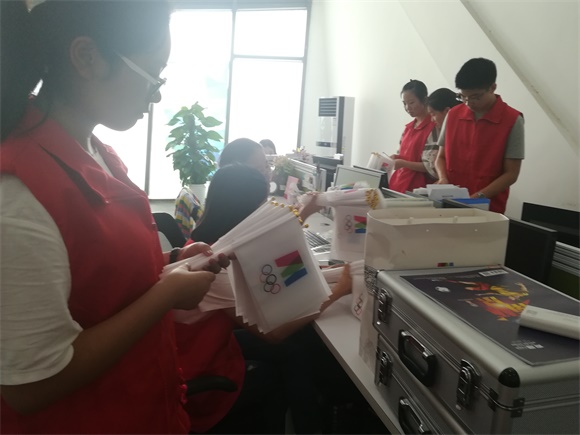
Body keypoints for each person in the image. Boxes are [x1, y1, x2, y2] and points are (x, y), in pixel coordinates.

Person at [0, 1, 228, 433]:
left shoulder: (97, 153)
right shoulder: (19, 193)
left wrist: (171, 262)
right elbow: (29, 387)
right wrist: (166, 293)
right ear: (87, 57)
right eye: (153, 74)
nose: (157, 94)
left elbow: (95, 281)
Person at [177, 164, 354, 434]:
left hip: (213, 344)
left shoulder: (208, 244)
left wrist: (320, 272)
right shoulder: (213, 265)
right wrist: (338, 291)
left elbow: (269, 260)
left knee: (297, 349)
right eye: (262, 206)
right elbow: (274, 333)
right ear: (246, 212)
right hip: (204, 370)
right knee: (294, 354)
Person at [435, 58, 524, 213]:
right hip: (450, 203)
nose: (468, 102)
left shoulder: (512, 120)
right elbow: (441, 157)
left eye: (475, 97)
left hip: (487, 206)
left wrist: (478, 197)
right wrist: (443, 178)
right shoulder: (453, 115)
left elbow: (511, 173)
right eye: (463, 96)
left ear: (492, 88)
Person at [388, 79, 438, 192]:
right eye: (404, 104)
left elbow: (431, 166)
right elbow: (403, 155)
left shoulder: (433, 127)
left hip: (418, 189)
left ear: (424, 100)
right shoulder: (408, 128)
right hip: (399, 184)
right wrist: (395, 158)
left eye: (411, 103)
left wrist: (403, 163)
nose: (407, 108)